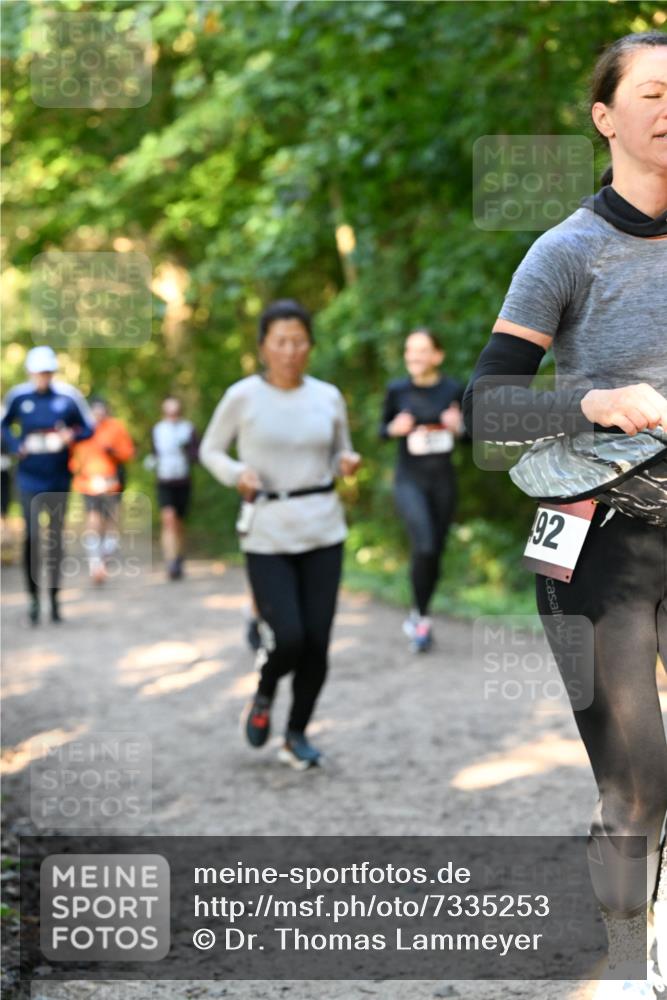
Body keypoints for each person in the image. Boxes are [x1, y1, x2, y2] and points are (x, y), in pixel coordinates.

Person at [462, 32, 667, 997]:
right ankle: (626, 956)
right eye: (653, 92)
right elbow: (487, 407)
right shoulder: (567, 251)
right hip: (602, 538)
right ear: (605, 117)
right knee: (639, 784)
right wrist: (584, 403)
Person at [200, 299, 361, 770]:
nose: (291, 350)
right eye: (281, 342)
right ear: (263, 347)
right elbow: (211, 450)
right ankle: (265, 691)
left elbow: (339, 454)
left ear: (310, 346)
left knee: (317, 643)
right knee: (288, 637)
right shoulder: (242, 396)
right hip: (267, 532)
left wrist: (345, 464)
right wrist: (236, 473)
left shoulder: (328, 396)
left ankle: (296, 734)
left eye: (299, 341)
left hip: (323, 528)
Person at [380, 330, 464, 652]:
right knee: (424, 545)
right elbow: (381, 430)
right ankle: (419, 616)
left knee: (436, 551)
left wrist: (459, 426)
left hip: (443, 482)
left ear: (437, 356)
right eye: (409, 350)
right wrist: (393, 428)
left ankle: (420, 614)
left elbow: (471, 437)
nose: (413, 356)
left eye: (421, 350)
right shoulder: (397, 390)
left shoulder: (453, 389)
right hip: (409, 481)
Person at [1, 346, 94, 624]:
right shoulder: (18, 396)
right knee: (31, 536)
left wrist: (71, 436)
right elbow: (3, 425)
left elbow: (88, 427)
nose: (44, 377)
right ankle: (32, 598)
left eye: (48, 372)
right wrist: (17, 446)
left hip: (57, 477)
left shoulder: (68, 396)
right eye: (40, 372)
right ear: (31, 372)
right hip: (29, 477)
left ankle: (53, 598)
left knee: (54, 539)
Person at [69, 397, 135, 583]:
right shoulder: (80, 429)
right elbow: (72, 455)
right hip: (88, 483)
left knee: (111, 521)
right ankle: (95, 563)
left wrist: (112, 451)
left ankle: (106, 554)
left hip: (111, 482)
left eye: (101, 411)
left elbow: (128, 453)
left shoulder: (116, 428)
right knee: (93, 519)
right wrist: (79, 471)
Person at [148, 396, 198, 580]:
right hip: (164, 481)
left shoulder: (188, 429)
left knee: (179, 523)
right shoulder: (158, 430)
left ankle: (179, 556)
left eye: (175, 413)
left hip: (183, 481)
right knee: (168, 519)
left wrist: (187, 450)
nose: (172, 417)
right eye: (169, 413)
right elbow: (153, 453)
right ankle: (171, 562)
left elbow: (196, 455)